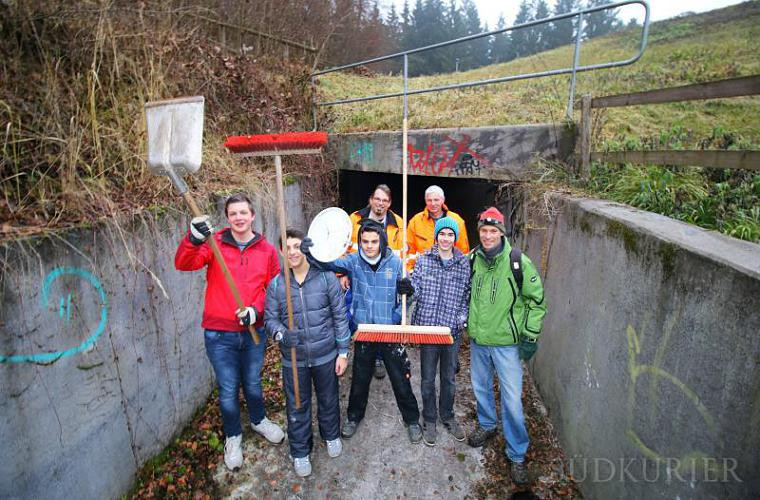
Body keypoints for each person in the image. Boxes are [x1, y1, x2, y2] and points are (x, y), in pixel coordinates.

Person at [174, 193, 285, 472]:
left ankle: (259, 421)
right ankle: (234, 436)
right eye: (233, 213)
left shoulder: (267, 250)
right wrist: (193, 239)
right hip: (219, 333)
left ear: (252, 215)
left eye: (243, 213)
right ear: (227, 217)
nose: (238, 218)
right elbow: (183, 263)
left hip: (252, 332)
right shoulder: (215, 244)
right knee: (227, 390)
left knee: (252, 382)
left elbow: (274, 290)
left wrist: (256, 311)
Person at [300, 219, 423, 443]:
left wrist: (406, 295)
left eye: (374, 241)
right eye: (364, 241)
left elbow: (409, 297)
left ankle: (412, 419)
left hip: (389, 331)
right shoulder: (354, 262)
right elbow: (327, 264)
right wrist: (311, 253)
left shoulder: (396, 264)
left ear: (382, 241)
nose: (369, 245)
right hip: (364, 331)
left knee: (400, 378)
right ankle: (354, 417)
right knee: (360, 378)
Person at [466, 207, 547, 486]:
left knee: (512, 401)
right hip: (479, 341)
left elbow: (536, 301)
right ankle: (487, 424)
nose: (488, 236)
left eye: (493, 231)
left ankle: (516, 454)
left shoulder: (517, 262)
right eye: (484, 231)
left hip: (506, 345)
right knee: (480, 388)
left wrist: (530, 335)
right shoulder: (473, 259)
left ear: (501, 233)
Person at [264, 229, 351, 477]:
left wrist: (343, 352)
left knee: (328, 399)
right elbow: (269, 319)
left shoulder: (325, 279)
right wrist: (282, 334)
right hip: (295, 359)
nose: (292, 252)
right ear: (281, 251)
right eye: (287, 247)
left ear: (306, 248)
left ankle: (331, 434)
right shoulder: (277, 284)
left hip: (325, 354)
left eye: (297, 246)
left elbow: (339, 316)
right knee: (297, 406)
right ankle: (300, 450)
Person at [405, 216, 471, 446]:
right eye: (442, 234)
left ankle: (448, 415)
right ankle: (430, 419)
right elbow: (414, 291)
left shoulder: (463, 263)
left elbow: (466, 296)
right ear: (436, 236)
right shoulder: (424, 260)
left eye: (450, 234)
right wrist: (405, 289)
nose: (445, 238)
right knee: (427, 378)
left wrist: (460, 321)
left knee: (449, 378)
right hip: (428, 330)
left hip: (450, 331)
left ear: (455, 237)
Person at [347, 184, 404, 380]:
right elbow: (344, 248)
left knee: (382, 315)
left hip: (384, 276)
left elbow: (402, 253)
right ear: (371, 199)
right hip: (359, 274)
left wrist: (401, 278)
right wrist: (343, 274)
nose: (380, 203)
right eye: (377, 199)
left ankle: (380, 357)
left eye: (385, 201)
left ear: (390, 204)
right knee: (360, 314)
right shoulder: (354, 219)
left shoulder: (398, 223)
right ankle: (361, 352)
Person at [406, 185, 469, 271]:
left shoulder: (457, 221)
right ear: (425, 201)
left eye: (436, 200)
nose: (433, 204)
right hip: (421, 271)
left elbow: (463, 252)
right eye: (429, 200)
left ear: (443, 200)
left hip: (449, 272)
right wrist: (410, 271)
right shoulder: (415, 221)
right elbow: (409, 252)